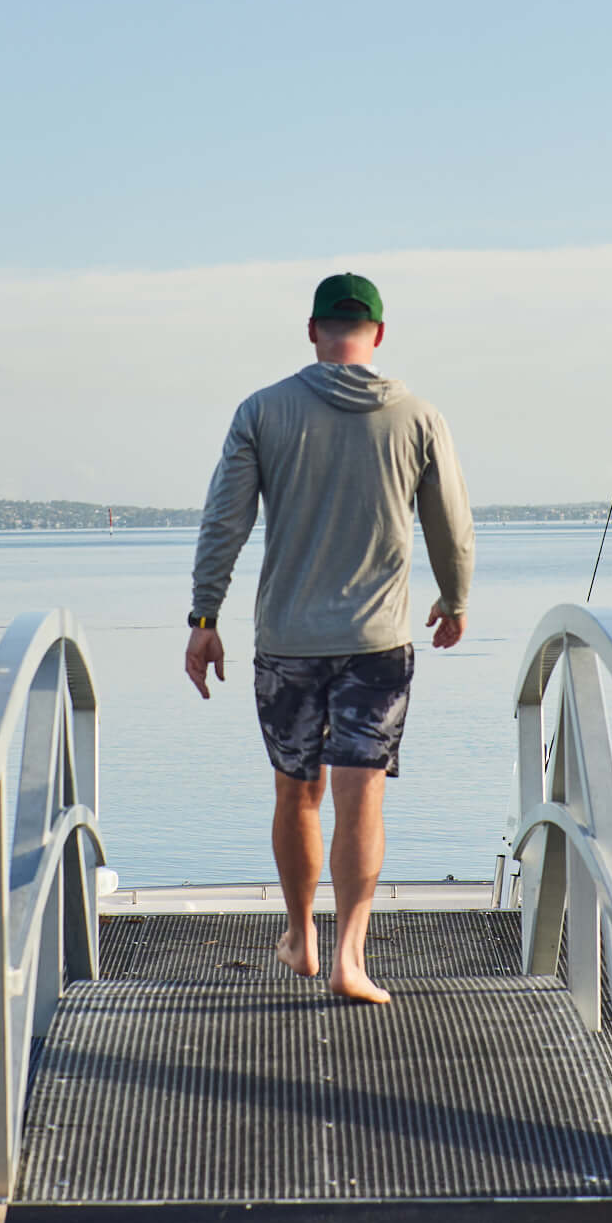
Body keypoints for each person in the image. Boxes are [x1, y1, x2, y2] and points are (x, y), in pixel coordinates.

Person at [185, 272, 473, 1004]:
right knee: (361, 794)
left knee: (297, 791)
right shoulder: (419, 415)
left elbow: (226, 522)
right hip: (379, 641)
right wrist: (456, 596)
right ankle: (350, 955)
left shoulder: (263, 411)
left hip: (288, 640)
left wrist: (203, 618)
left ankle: (299, 935)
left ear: (313, 330)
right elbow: (451, 525)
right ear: (377, 332)